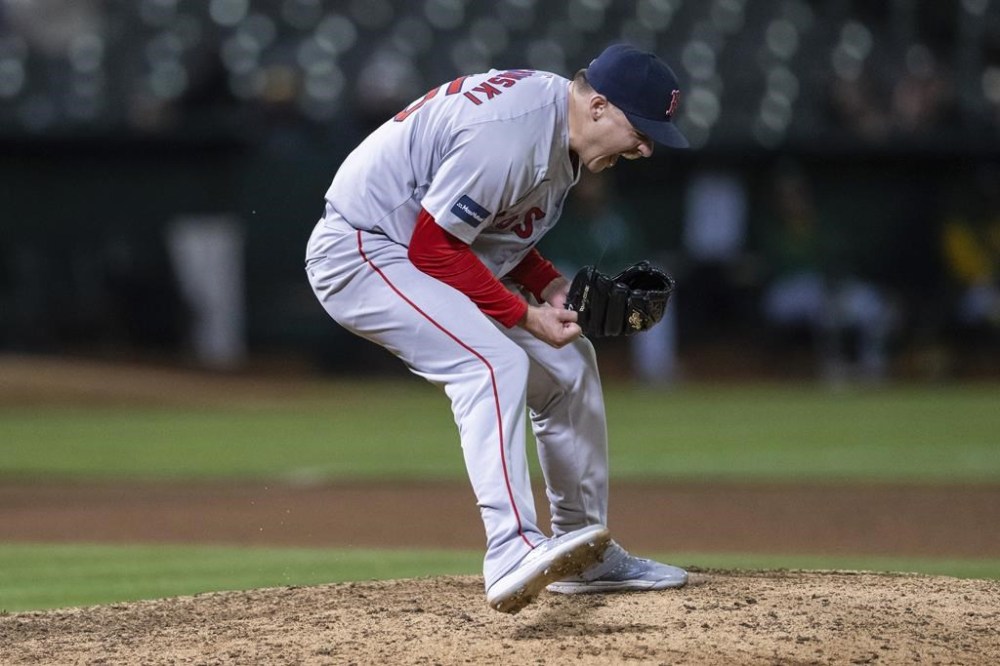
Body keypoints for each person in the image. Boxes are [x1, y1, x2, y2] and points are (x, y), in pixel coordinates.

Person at [305, 44, 689, 614]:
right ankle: (509, 548)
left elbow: (489, 232)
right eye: (642, 130)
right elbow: (435, 247)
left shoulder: (559, 131)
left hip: (409, 249)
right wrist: (524, 313)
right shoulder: (512, 134)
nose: (646, 147)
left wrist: (550, 286)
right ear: (600, 106)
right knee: (490, 363)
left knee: (567, 363)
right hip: (363, 249)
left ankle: (582, 555)